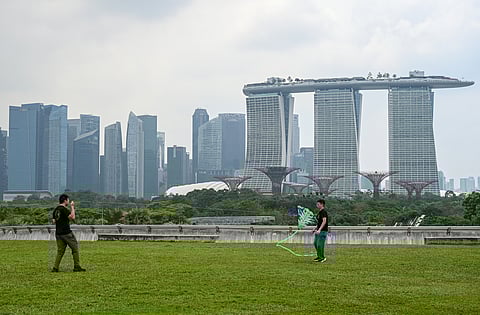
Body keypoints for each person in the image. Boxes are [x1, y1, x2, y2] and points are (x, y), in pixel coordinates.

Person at [51, 194, 86, 272]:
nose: (69, 201)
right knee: (75, 248)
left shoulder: (56, 210)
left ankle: (55, 267)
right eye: (68, 200)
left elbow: (53, 221)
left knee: (60, 251)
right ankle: (76, 266)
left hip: (58, 233)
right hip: (66, 233)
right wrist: (72, 207)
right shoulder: (64, 209)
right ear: (65, 200)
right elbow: (72, 217)